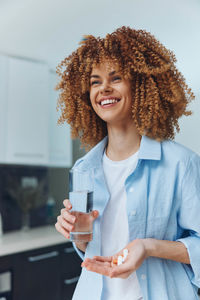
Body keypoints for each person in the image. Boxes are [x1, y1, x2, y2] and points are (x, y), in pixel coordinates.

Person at [55, 26, 200, 300]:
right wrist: (79, 235)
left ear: (142, 84)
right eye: (95, 82)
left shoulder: (181, 163)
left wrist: (149, 247)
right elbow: (91, 247)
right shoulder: (84, 168)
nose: (104, 89)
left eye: (116, 77)